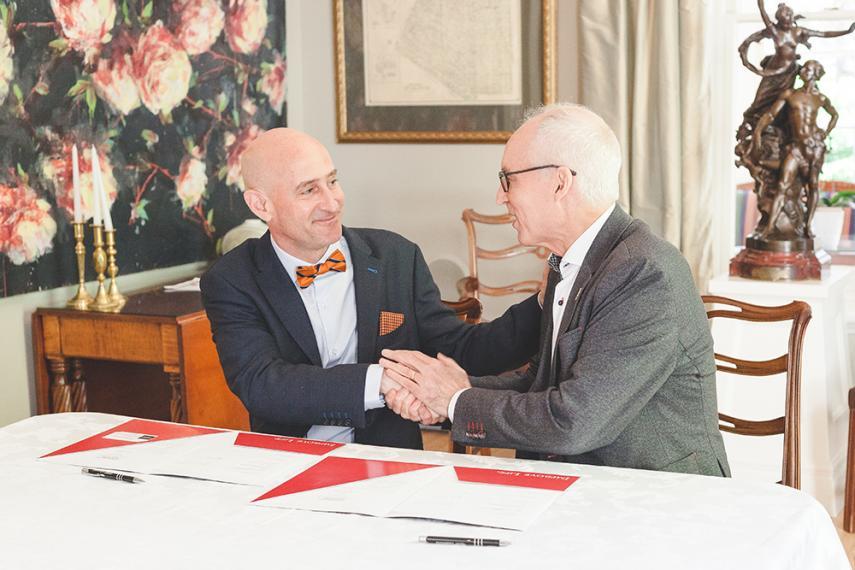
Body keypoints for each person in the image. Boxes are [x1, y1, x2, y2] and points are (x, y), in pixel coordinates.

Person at [381, 103, 731, 476]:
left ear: (560, 183)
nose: (500, 196)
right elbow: (542, 383)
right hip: (588, 484)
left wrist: (454, 400)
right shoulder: (570, 262)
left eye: (508, 179)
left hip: (655, 495)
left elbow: (573, 421)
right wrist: (456, 391)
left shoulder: (642, 273)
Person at [200, 128, 542, 450]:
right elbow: (263, 384)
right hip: (289, 460)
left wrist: (544, 302)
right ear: (261, 205)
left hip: (389, 460)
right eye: (308, 190)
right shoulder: (232, 279)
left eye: (332, 181)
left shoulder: (396, 256)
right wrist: (380, 381)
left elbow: (460, 349)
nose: (332, 202)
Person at [737, 0, 854, 138]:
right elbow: (763, 14)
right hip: (773, 72)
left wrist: (846, 31)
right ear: (779, 20)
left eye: (789, 17)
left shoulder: (797, 32)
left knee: (782, 100)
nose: (788, 21)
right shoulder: (775, 31)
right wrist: (760, 4)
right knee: (760, 100)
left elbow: (823, 34)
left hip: (789, 72)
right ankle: (750, 124)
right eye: (784, 18)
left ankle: (777, 129)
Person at [752, 60, 838, 238]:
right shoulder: (790, 95)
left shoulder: (820, 98)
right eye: (804, 68)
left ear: (816, 74)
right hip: (796, 148)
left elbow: (834, 115)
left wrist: (825, 132)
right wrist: (758, 130)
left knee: (813, 186)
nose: (804, 70)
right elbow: (771, 115)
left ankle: (807, 226)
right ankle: (769, 228)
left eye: (808, 68)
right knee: (782, 185)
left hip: (814, 148)